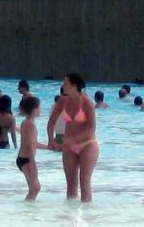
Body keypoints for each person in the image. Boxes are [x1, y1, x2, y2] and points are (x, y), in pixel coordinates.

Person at [47, 72, 98, 203]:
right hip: (69, 146)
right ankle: (69, 214)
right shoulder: (63, 101)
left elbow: (91, 129)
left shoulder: (87, 103)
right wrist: (51, 140)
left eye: (65, 83)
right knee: (71, 183)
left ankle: (86, 214)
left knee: (84, 180)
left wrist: (70, 140)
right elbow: (51, 122)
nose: (62, 85)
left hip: (87, 144)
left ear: (74, 86)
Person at [17, 95, 43, 200]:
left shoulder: (27, 122)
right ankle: (27, 211)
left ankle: (28, 211)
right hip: (27, 159)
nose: (40, 110)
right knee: (35, 188)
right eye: (39, 107)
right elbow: (29, 145)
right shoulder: (30, 124)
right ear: (34, 109)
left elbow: (33, 143)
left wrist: (48, 147)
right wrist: (32, 162)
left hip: (24, 158)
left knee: (35, 188)